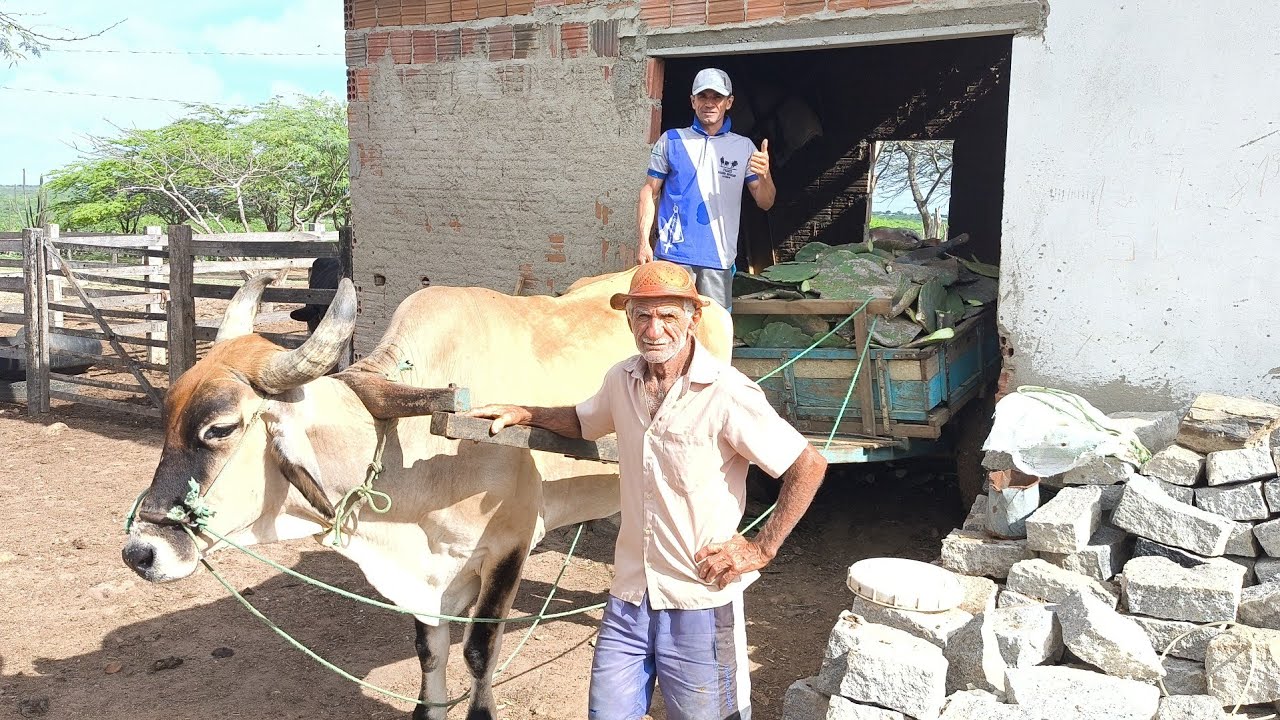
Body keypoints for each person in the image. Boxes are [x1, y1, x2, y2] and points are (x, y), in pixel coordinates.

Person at [467, 260, 827, 720]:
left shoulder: (727, 392)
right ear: (629, 319)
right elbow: (582, 421)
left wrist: (761, 549)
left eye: (668, 316)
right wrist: (527, 412)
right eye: (642, 316)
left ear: (693, 319)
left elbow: (807, 464)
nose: (654, 330)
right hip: (629, 598)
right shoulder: (622, 379)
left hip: (699, 599)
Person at [637, 68, 776, 310]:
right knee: (669, 324)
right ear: (693, 101)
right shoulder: (671, 140)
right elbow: (650, 191)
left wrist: (765, 175)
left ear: (729, 102)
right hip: (672, 257)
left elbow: (765, 202)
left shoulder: (744, 147)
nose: (709, 103)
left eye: (717, 97)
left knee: (713, 328)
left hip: (718, 260)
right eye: (703, 96)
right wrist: (643, 242)